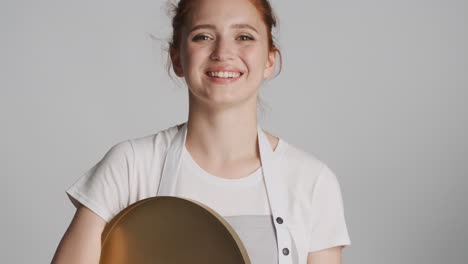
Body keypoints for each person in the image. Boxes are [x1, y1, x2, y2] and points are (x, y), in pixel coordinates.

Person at [51, 0, 351, 263]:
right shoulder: (130, 165)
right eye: (203, 36)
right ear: (177, 58)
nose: (223, 52)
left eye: (244, 36)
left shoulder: (311, 180)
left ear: (269, 60)